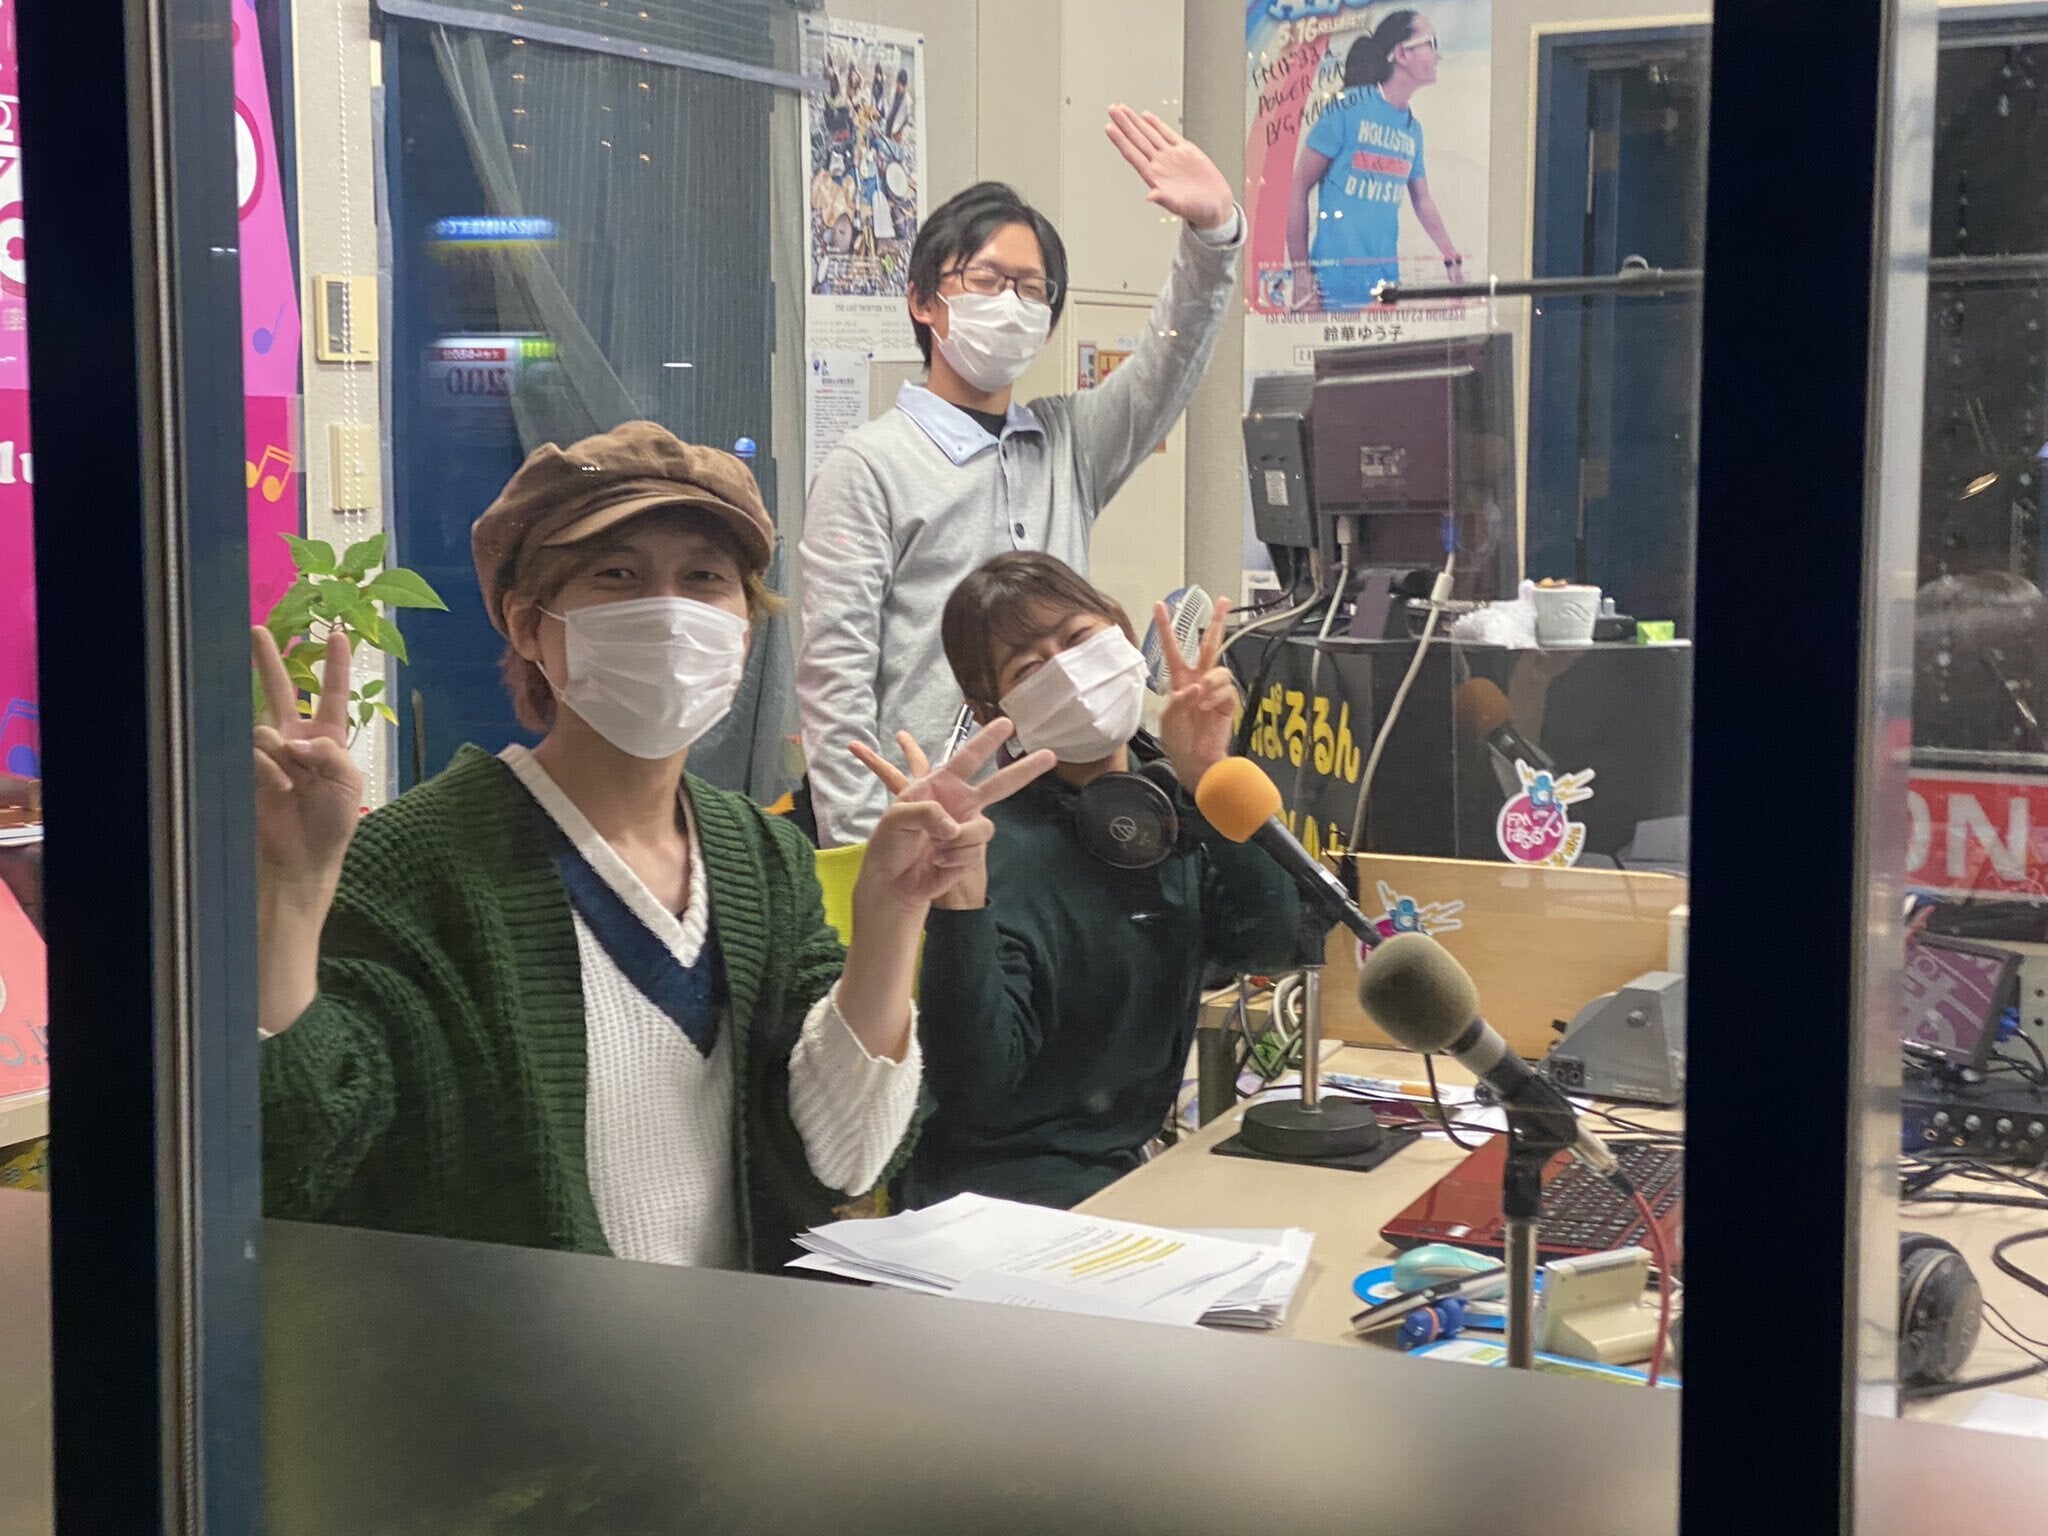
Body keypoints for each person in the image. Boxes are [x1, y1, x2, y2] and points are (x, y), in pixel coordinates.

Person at [254, 421, 1054, 1269]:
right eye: (618, 575)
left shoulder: (762, 859)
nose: (670, 612)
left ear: (745, 627)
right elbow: (291, 1170)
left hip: (724, 1345)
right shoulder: (417, 863)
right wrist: (291, 893)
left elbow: (847, 1159)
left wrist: (891, 915)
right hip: (506, 1351)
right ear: (527, 625)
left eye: (704, 578)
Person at [798, 105, 1244, 847]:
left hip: (1073, 815)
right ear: (924, 300)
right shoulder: (869, 465)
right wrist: (863, 857)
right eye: (986, 279)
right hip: (936, 827)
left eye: (1032, 290)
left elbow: (1169, 363)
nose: (1011, 303)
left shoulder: (1068, 443)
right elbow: (835, 678)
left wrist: (1214, 235)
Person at [892, 554, 1308, 1209]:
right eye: (1029, 668)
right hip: (997, 1198)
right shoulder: (989, 848)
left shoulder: (1170, 807)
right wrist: (960, 907)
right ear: (991, 708)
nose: (1065, 669)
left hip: (1121, 1176)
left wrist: (1207, 776)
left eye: (1079, 637)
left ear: (1120, 629)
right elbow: (975, 1094)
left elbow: (1273, 945)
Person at [1286, 10, 1462, 311]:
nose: (1438, 55)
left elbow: (1423, 201)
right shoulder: (1347, 109)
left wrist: (1451, 257)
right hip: (1331, 285)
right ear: (1401, 54)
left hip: (1385, 286)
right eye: (1431, 43)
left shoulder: (1412, 129)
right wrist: (1301, 273)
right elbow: (1299, 186)